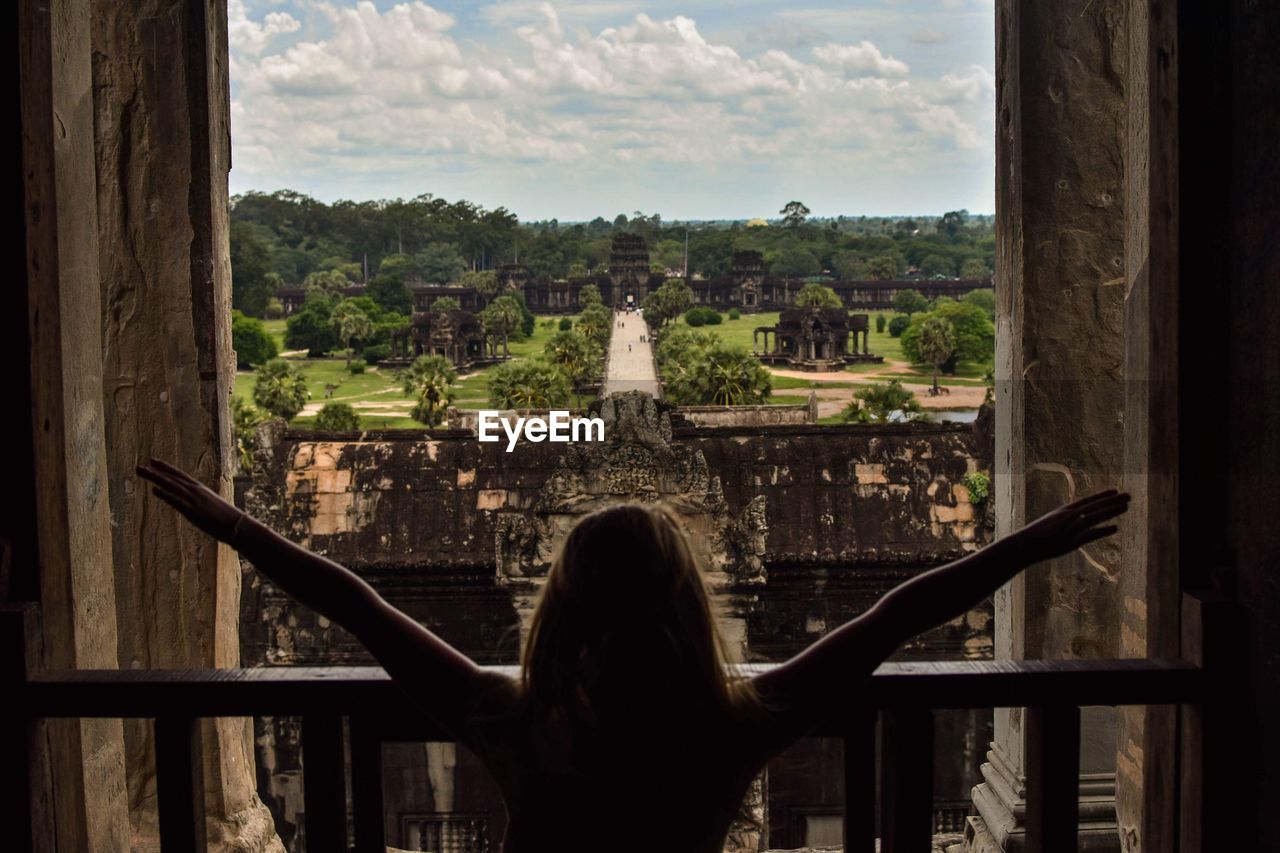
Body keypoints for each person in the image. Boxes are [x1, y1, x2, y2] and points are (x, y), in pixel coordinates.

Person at [136, 460, 1127, 853]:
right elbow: (898, 615)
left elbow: (351, 602)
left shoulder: (510, 715)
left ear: (557, 603)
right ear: (690, 601)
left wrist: (236, 527)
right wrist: (1023, 545)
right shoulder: (733, 717)